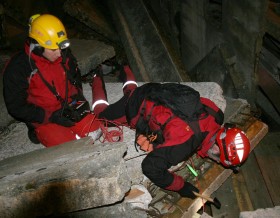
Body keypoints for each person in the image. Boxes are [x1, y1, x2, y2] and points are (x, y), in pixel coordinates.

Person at [90, 65, 251, 199]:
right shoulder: (184, 145)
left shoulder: (216, 114)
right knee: (100, 114)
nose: (215, 160)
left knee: (131, 92)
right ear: (216, 148)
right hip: (137, 106)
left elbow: (196, 105)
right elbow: (150, 167)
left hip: (155, 90)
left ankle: (124, 67)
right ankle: (96, 74)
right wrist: (181, 187)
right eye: (217, 158)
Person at [3, 14, 101, 147]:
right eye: (54, 49)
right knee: (70, 149)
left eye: (61, 47)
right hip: (45, 118)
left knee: (96, 131)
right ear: (38, 46)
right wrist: (50, 116)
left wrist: (77, 103)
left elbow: (75, 79)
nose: (60, 53)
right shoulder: (19, 68)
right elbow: (16, 107)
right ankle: (38, 132)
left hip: (68, 109)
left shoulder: (63, 54)